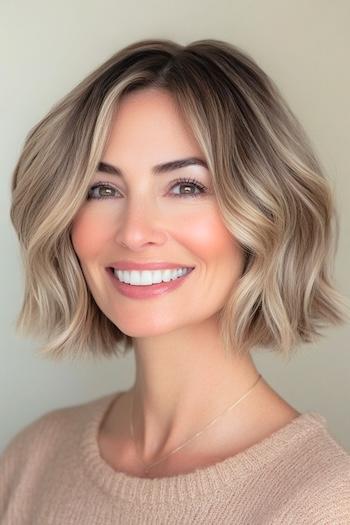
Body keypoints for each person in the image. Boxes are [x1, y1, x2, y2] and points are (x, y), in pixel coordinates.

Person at [1, 38, 350, 524]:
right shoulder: (32, 461)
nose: (135, 231)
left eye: (185, 186)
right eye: (103, 189)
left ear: (265, 213)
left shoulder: (321, 504)